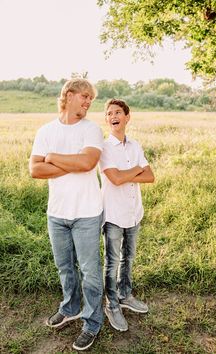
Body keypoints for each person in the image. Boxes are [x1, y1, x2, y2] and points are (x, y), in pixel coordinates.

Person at [29, 78, 104, 351]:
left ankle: (92, 322)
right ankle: (70, 307)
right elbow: (35, 170)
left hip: (86, 213)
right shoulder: (46, 131)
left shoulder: (91, 130)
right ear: (68, 95)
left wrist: (52, 157)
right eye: (84, 96)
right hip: (57, 213)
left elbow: (87, 163)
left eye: (90, 100)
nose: (87, 103)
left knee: (90, 272)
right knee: (65, 268)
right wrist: (69, 162)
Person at [99, 99, 155, 332]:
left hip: (134, 213)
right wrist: (135, 171)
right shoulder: (103, 147)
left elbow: (150, 176)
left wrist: (127, 173)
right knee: (112, 263)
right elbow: (116, 179)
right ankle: (111, 304)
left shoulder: (135, 145)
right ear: (107, 120)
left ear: (127, 117)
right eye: (110, 113)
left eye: (118, 112)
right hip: (113, 213)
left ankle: (125, 295)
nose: (114, 116)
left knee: (128, 259)